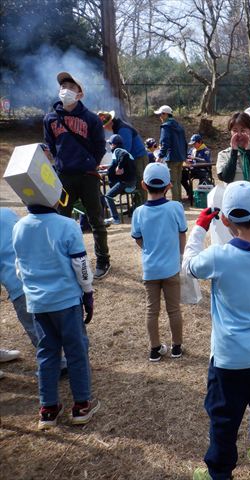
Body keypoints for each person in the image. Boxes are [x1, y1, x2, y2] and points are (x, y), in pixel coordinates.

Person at [184, 182, 250, 480]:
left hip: (229, 359)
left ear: (225, 220)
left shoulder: (219, 256)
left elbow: (189, 266)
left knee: (224, 418)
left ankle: (219, 473)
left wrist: (199, 228)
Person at [11, 186, 99, 430]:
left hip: (38, 303)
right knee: (76, 350)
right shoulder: (67, 225)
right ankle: (82, 404)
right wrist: (88, 291)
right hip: (66, 300)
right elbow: (80, 264)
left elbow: (19, 266)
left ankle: (48, 408)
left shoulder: (19, 227)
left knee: (47, 353)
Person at [43, 72, 110, 279]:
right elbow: (51, 146)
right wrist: (58, 162)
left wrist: (92, 164)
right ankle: (62, 260)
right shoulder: (50, 118)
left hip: (88, 175)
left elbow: (100, 146)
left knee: (96, 219)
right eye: (63, 85)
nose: (66, 89)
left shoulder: (91, 118)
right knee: (60, 219)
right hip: (64, 176)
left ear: (80, 94)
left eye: (71, 87)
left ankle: (103, 260)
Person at [0, 208, 68, 375]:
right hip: (36, 278)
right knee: (43, 324)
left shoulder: (6, 214)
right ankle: (60, 360)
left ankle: (56, 363)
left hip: (19, 281)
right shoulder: (8, 214)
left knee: (36, 326)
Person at [131, 163, 188, 362]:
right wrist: (179, 255)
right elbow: (182, 234)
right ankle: (177, 347)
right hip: (171, 267)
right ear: (169, 186)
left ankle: (155, 349)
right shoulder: (175, 207)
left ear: (143, 185)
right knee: (174, 309)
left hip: (150, 269)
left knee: (151, 310)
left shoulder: (138, 212)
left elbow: (137, 238)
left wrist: (148, 249)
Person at [98, 110, 148, 203]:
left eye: (105, 126)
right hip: (133, 158)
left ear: (111, 123)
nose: (105, 128)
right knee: (135, 183)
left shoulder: (123, 129)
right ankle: (135, 206)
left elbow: (125, 151)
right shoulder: (118, 128)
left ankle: (142, 205)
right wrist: (111, 165)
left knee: (139, 182)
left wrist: (113, 165)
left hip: (138, 158)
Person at [216, 112, 250, 184]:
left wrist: (249, 152)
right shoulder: (223, 154)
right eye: (235, 130)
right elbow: (226, 178)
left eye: (243, 130)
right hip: (232, 195)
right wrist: (234, 152)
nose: (239, 134)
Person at [154, 105, 188, 202]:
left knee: (173, 181)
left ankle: (176, 202)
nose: (159, 117)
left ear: (165, 114)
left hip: (172, 157)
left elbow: (165, 142)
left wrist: (160, 156)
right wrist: (184, 156)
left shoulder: (166, 126)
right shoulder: (179, 126)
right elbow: (185, 143)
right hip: (180, 157)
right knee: (177, 181)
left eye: (160, 114)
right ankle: (179, 201)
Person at [101, 134, 136, 226]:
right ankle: (114, 216)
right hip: (131, 182)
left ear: (114, 144)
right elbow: (118, 161)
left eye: (110, 144)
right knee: (110, 192)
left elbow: (123, 156)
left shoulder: (118, 151)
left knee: (107, 196)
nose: (110, 145)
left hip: (125, 182)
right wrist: (108, 167)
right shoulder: (124, 151)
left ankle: (115, 218)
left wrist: (119, 167)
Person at [181, 134, 213, 203]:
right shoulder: (192, 149)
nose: (193, 145)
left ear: (200, 142)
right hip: (192, 170)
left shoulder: (206, 150)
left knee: (204, 179)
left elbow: (206, 161)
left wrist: (194, 158)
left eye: (194, 143)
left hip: (203, 171)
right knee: (182, 176)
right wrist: (187, 160)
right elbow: (188, 157)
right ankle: (190, 193)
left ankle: (200, 196)